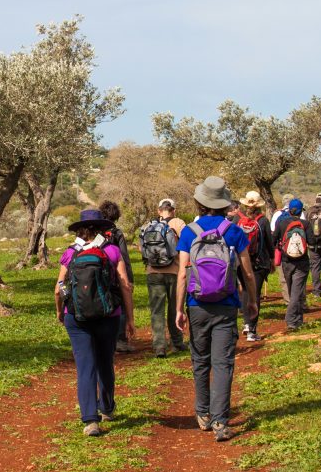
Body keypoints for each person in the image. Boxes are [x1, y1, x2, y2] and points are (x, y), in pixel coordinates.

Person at [174, 176, 258, 442]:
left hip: (197, 304)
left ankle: (202, 413)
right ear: (224, 204)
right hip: (226, 304)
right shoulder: (233, 231)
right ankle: (221, 421)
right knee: (223, 363)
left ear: (200, 203)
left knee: (200, 360)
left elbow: (182, 275)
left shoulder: (188, 232)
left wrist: (178, 308)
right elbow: (248, 272)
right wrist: (252, 301)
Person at [54, 209, 136, 437]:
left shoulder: (70, 253)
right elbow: (124, 286)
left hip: (76, 316)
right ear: (101, 228)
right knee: (104, 361)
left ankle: (90, 420)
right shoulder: (111, 250)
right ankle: (107, 408)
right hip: (108, 315)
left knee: (85, 366)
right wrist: (129, 319)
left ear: (80, 230)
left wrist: (61, 312)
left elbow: (59, 289)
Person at [138, 198, 187, 357]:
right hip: (174, 272)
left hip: (153, 273)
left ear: (159, 210)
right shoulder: (179, 223)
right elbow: (186, 244)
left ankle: (159, 346)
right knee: (175, 308)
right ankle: (177, 342)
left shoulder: (148, 226)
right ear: (173, 210)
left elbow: (142, 249)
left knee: (157, 311)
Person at [272, 198, 316, 330]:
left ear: (289, 210)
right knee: (297, 291)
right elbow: (312, 242)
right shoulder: (306, 224)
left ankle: (297, 319)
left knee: (292, 290)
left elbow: (274, 240)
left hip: (286, 261)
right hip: (302, 261)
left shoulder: (282, 223)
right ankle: (291, 319)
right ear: (301, 210)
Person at [233, 191, 272, 342]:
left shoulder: (237, 219)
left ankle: (246, 324)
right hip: (259, 262)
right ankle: (252, 330)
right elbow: (269, 243)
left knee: (245, 293)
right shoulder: (263, 220)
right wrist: (272, 260)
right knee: (255, 294)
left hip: (241, 262)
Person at [98, 200, 136, 353]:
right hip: (117, 274)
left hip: (100, 274)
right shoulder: (117, 233)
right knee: (120, 305)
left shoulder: (97, 232)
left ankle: (105, 338)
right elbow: (124, 257)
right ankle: (120, 340)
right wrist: (129, 280)